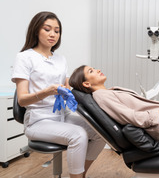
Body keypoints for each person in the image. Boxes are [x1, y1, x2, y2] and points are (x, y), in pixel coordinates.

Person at [11, 12, 105, 178]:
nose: (53, 34)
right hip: (38, 121)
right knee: (78, 135)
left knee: (101, 130)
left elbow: (68, 85)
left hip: (62, 116)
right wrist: (47, 91)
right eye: (47, 29)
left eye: (57, 30)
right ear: (36, 31)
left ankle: (80, 174)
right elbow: (22, 99)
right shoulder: (25, 57)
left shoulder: (60, 59)